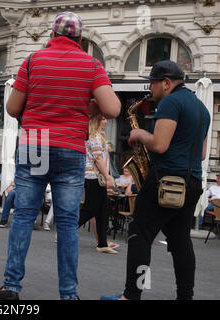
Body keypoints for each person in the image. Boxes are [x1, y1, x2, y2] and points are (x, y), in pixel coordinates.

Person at [0, 11, 121, 301]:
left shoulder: (33, 60)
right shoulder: (91, 64)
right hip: (71, 146)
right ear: (79, 38)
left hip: (36, 141)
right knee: (67, 222)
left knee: (23, 216)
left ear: (52, 36)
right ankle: (68, 294)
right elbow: (112, 109)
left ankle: (11, 286)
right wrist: (89, 108)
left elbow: (13, 108)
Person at [101, 60, 210, 300]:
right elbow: (201, 154)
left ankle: (131, 295)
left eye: (152, 84)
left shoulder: (171, 101)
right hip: (191, 184)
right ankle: (185, 297)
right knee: (181, 241)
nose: (150, 90)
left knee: (140, 235)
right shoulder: (202, 108)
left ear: (167, 83)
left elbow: (160, 144)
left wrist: (140, 133)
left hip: (165, 180)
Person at [78, 115, 118, 254]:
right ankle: (66, 229)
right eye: (103, 119)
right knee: (91, 209)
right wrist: (108, 177)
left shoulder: (98, 135)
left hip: (96, 176)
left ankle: (102, 243)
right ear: (96, 121)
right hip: (94, 176)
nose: (106, 121)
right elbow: (98, 159)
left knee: (102, 210)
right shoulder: (94, 136)